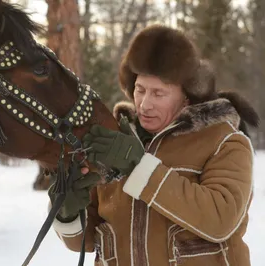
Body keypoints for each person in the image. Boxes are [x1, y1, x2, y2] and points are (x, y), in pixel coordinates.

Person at [48, 24, 259, 266]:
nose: (145, 104)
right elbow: (85, 242)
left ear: (187, 96)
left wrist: (139, 167)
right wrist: (67, 212)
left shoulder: (224, 141)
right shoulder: (112, 140)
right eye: (140, 90)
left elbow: (221, 219)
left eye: (159, 94)